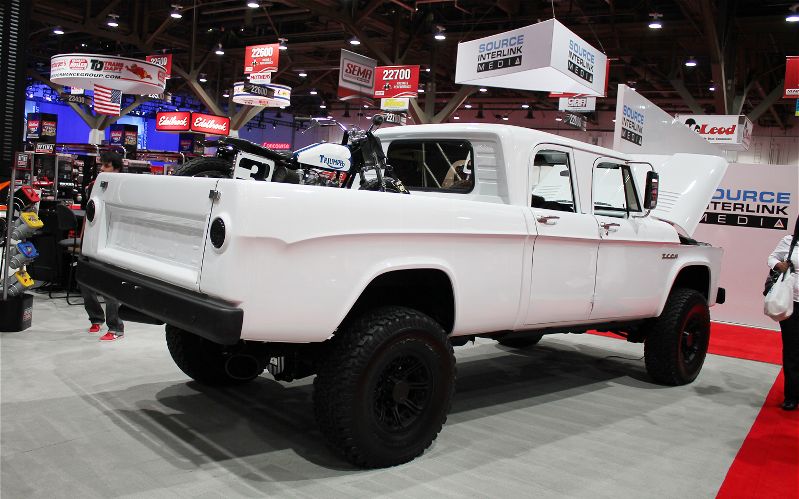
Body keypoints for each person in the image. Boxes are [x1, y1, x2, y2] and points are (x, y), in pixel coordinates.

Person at [81, 151, 125, 342]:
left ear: (117, 168)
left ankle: (115, 327)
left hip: (113, 243)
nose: (102, 169)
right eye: (102, 165)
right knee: (84, 282)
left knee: (109, 287)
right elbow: (88, 213)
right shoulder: (93, 186)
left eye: (107, 166)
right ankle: (95, 318)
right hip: (91, 240)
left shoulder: (126, 187)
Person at [768, 217, 799, 411]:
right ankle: (792, 395)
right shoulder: (790, 241)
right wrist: (778, 265)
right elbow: (771, 257)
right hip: (792, 302)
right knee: (792, 350)